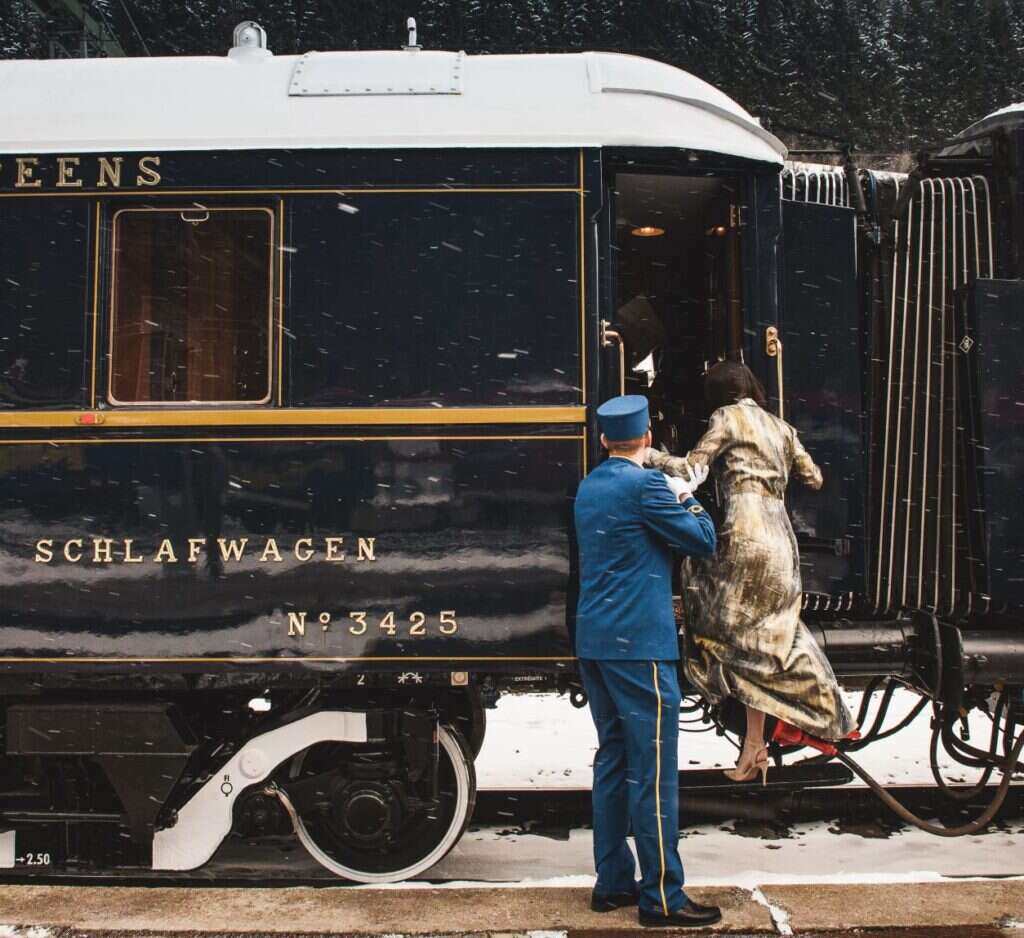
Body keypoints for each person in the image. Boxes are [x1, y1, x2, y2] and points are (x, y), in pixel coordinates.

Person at [647, 362, 856, 784]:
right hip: (781, 539)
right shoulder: (781, 427)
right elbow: (813, 477)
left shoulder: (726, 417)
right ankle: (754, 747)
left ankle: (822, 712)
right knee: (761, 641)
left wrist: (648, 456)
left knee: (720, 626)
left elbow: (692, 470)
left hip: (744, 532)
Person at [574, 394, 721, 929]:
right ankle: (661, 896)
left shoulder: (590, 487)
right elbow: (703, 540)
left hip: (597, 643)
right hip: (639, 647)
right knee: (654, 771)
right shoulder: (648, 486)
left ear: (606, 440)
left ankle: (612, 881)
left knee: (613, 760)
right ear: (649, 440)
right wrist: (688, 495)